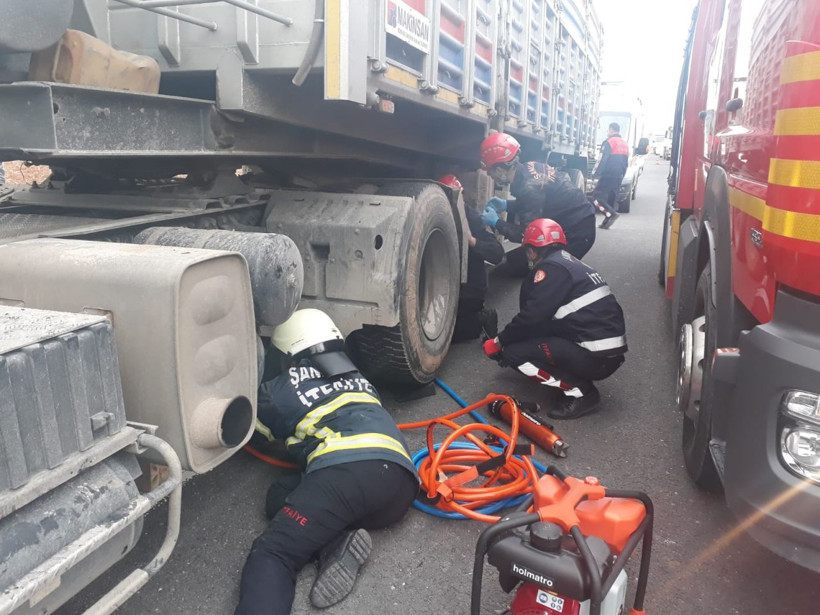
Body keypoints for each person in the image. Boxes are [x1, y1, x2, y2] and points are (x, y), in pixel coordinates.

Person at [235, 309, 418, 615]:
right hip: (399, 486)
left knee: (274, 553)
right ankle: (336, 542)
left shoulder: (279, 390)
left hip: (347, 477)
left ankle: (326, 543)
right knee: (279, 496)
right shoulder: (360, 378)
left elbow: (247, 433)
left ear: (287, 351)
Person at [481, 219, 627, 420]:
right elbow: (545, 321)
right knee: (529, 341)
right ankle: (574, 375)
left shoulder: (550, 269)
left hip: (597, 358)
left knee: (515, 354)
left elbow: (531, 317)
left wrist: (499, 342)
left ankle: (582, 392)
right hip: (606, 353)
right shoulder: (569, 262)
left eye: (528, 252)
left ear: (532, 251)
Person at [477, 133, 596, 273]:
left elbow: (527, 236)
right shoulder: (527, 168)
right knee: (513, 262)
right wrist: (506, 204)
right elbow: (534, 204)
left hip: (578, 234)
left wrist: (496, 222)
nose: (490, 176)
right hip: (575, 220)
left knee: (548, 273)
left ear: (499, 170)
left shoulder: (528, 188)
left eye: (490, 172)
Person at [438, 174, 504, 342]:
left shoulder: (472, 218)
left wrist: (473, 242)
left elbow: (497, 253)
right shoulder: (438, 216)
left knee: (448, 335)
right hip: (445, 286)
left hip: (468, 289)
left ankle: (481, 319)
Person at [591, 122, 629, 230]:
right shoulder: (624, 144)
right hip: (619, 175)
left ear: (611, 130)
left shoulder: (609, 142)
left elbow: (601, 159)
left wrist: (595, 173)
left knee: (596, 198)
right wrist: (622, 175)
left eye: (608, 130)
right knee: (611, 199)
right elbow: (626, 163)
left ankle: (611, 214)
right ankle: (606, 222)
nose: (607, 132)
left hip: (608, 174)